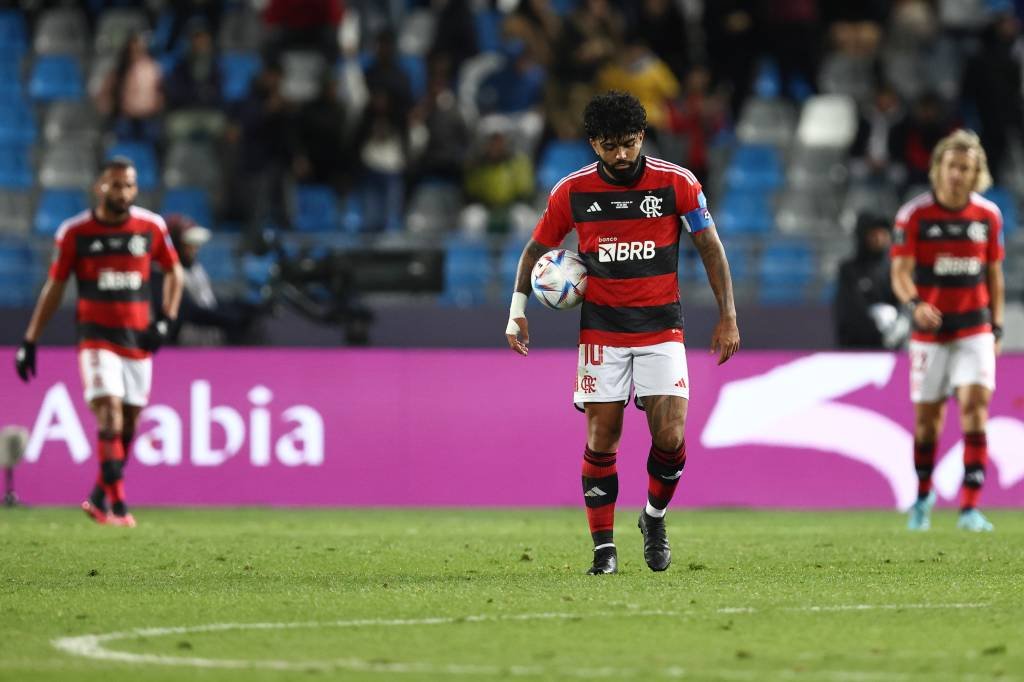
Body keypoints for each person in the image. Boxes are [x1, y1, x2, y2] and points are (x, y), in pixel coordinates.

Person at [504, 91, 740, 575]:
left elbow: (711, 249)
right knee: (603, 439)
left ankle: (653, 518)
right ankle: (603, 550)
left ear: (642, 137)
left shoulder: (678, 184)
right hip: (602, 333)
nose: (622, 155)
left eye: (630, 143)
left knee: (671, 436)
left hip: (661, 328)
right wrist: (517, 310)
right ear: (593, 143)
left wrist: (728, 316)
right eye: (610, 146)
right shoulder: (572, 192)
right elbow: (534, 251)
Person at [14, 158, 184, 527]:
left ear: (135, 189)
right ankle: (119, 507)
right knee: (109, 412)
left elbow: (175, 272)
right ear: (100, 187)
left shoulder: (150, 227)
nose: (122, 192)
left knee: (128, 427)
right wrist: (30, 339)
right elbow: (55, 288)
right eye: (115, 185)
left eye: (129, 185)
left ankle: (95, 497)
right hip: (95, 338)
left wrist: (166, 320)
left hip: (138, 339)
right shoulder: (75, 232)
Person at [890, 129, 1005, 532]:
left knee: (976, 411)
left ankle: (970, 508)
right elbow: (900, 273)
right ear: (938, 167)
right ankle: (923, 497)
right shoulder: (914, 215)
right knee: (928, 423)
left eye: (968, 168)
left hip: (975, 329)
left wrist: (998, 327)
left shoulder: (988, 215)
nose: (959, 174)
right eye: (953, 166)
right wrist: (914, 305)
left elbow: (994, 273)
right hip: (929, 335)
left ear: (978, 174)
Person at [834, 213, 908, 349]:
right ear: (863, 237)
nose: (879, 239)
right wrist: (875, 329)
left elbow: (905, 302)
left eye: (883, 234)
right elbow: (848, 310)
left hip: (891, 350)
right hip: (856, 349)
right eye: (874, 234)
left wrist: (901, 324)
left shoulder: (895, 270)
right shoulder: (849, 270)